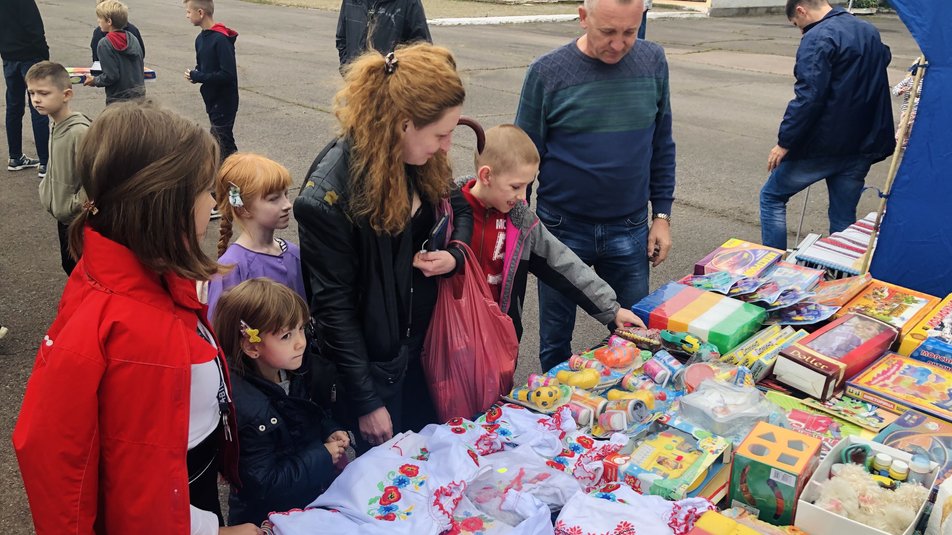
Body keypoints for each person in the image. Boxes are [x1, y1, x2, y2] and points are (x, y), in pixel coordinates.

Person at [12, 100, 260, 535]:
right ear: (166, 205)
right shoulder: (130, 329)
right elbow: (135, 488)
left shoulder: (143, 279)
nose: (213, 203)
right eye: (206, 191)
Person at [295, 43, 472, 450]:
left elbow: (458, 201)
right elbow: (334, 310)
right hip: (376, 371)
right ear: (403, 124)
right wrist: (367, 400)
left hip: (424, 351)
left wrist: (455, 255)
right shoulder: (327, 198)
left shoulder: (417, 157)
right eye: (441, 134)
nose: (447, 146)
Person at [514, 0, 676, 372]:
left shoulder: (653, 62)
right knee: (556, 340)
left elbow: (661, 144)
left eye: (629, 33)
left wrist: (662, 216)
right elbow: (523, 159)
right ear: (583, 17)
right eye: (608, 32)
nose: (618, 44)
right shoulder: (547, 72)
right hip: (560, 230)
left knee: (637, 336)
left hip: (630, 229)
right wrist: (519, 228)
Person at [457, 124, 645, 353]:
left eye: (527, 185)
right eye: (516, 186)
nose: (522, 196)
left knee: (495, 389)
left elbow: (564, 263)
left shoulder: (521, 221)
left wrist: (612, 309)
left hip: (496, 340)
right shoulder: (447, 211)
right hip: (450, 334)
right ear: (486, 175)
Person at [213, 278, 349, 526]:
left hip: (305, 503)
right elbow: (264, 483)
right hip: (269, 520)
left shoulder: (294, 369)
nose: (301, 342)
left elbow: (308, 414)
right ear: (252, 346)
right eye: (286, 335)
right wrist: (322, 456)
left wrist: (329, 430)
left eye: (301, 329)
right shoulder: (247, 409)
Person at [760, 0, 894, 251]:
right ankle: (839, 277)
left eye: (797, 25)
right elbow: (883, 57)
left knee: (772, 197)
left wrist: (784, 143)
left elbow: (809, 96)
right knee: (843, 218)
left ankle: (773, 263)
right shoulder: (867, 29)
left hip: (824, 144)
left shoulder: (818, 37)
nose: (801, 30)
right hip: (862, 143)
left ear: (801, 10)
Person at [206, 153, 305, 321]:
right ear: (241, 208)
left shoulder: (293, 253)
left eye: (286, 195)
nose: (287, 205)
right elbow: (222, 332)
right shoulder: (231, 270)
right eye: (274, 199)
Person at [28, 61, 91, 276]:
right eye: (32, 93)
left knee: (80, 268)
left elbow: (95, 176)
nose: (36, 99)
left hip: (76, 218)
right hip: (63, 215)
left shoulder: (79, 132)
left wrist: (77, 204)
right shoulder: (55, 125)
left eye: (44, 93)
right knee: (69, 265)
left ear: (66, 95)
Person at [184, 0, 239, 161]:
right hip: (211, 98)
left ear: (200, 13)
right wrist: (195, 74)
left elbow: (227, 74)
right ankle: (233, 174)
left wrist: (199, 76)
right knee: (221, 142)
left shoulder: (221, 40)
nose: (187, 16)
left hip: (224, 101)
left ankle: (238, 174)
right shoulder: (200, 39)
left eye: (188, 12)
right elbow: (204, 67)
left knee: (221, 142)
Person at [1, 0, 49, 177]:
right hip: (30, 56)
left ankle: (15, 156)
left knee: (13, 106)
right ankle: (45, 161)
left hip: (9, 56)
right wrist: (44, 54)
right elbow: (35, 28)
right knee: (39, 106)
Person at [335, 0, 431, 70]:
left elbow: (423, 49)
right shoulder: (350, 2)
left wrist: (397, 73)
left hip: (392, 91)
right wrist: (348, 70)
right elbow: (342, 39)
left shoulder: (409, 3)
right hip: (357, 88)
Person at [83, 0, 145, 104]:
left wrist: (94, 80)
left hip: (118, 97)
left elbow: (111, 76)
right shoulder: (132, 38)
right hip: (138, 94)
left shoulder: (105, 43)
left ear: (109, 22)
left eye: (100, 18)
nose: (98, 21)